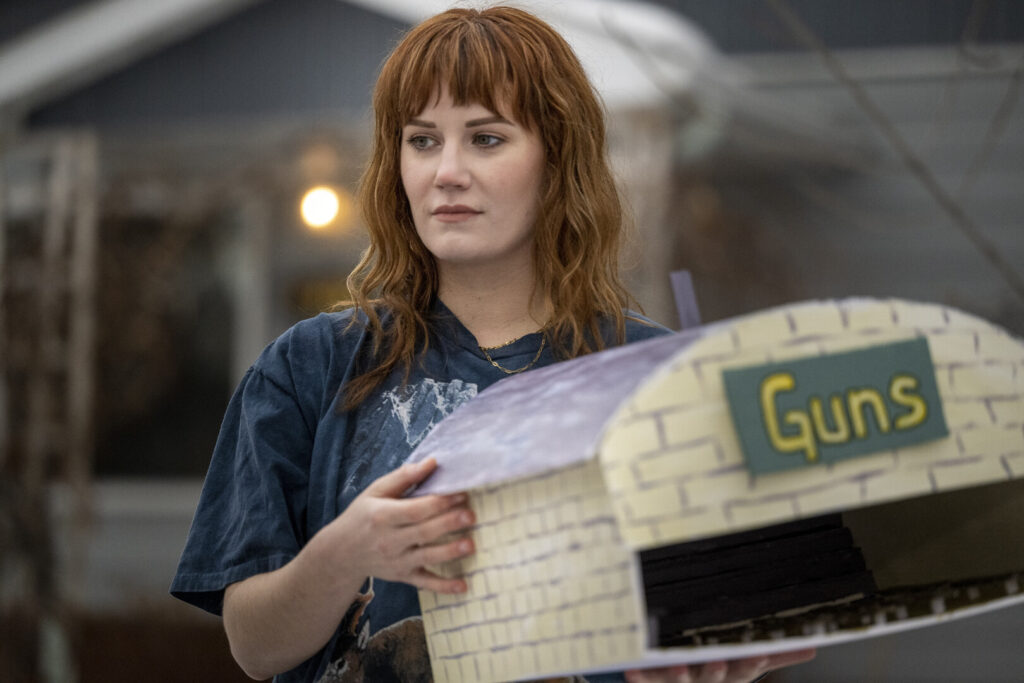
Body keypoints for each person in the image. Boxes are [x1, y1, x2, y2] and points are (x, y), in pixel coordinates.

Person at [171, 6, 814, 682]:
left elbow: (706, 606)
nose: (446, 171)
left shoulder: (651, 378)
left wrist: (706, 657)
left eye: (485, 138)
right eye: (422, 140)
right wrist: (347, 549)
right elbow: (254, 645)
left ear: (557, 159)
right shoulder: (307, 368)